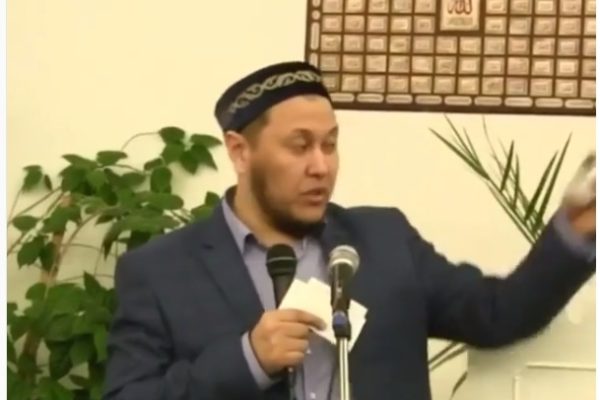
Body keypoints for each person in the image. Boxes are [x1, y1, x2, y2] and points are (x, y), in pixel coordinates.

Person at [103, 61, 596, 400]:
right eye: (300, 146)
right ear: (240, 152)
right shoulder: (160, 271)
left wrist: (574, 232)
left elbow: (497, 315)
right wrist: (247, 359)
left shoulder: (384, 241)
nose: (321, 166)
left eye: (330, 144)